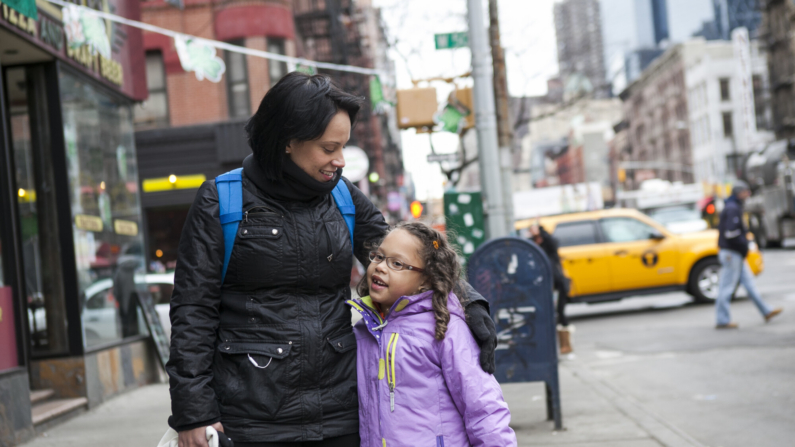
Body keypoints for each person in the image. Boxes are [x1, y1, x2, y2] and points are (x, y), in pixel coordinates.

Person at [166, 72, 498, 447]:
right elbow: (193, 311)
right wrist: (194, 413)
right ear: (288, 141)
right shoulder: (221, 200)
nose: (340, 160)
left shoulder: (343, 197)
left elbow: (409, 256)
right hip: (252, 420)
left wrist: (468, 302)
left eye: (343, 147)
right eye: (328, 148)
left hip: (341, 414)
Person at [348, 222, 517, 447]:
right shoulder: (364, 330)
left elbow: (483, 407)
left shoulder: (445, 327)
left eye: (396, 263)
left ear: (426, 280)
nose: (380, 267)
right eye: (378, 257)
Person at [715, 181, 783, 329]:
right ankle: (722, 320)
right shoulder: (733, 208)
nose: (748, 194)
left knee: (750, 285)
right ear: (739, 193)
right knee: (726, 288)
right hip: (732, 254)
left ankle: (766, 311)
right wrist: (745, 242)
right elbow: (731, 233)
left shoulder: (733, 206)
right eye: (746, 192)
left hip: (735, 254)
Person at [529, 223, 573, 353]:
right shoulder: (533, 245)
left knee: (560, 312)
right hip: (544, 286)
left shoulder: (548, 244)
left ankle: (566, 346)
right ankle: (552, 348)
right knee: (547, 315)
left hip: (557, 284)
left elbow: (552, 242)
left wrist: (541, 230)